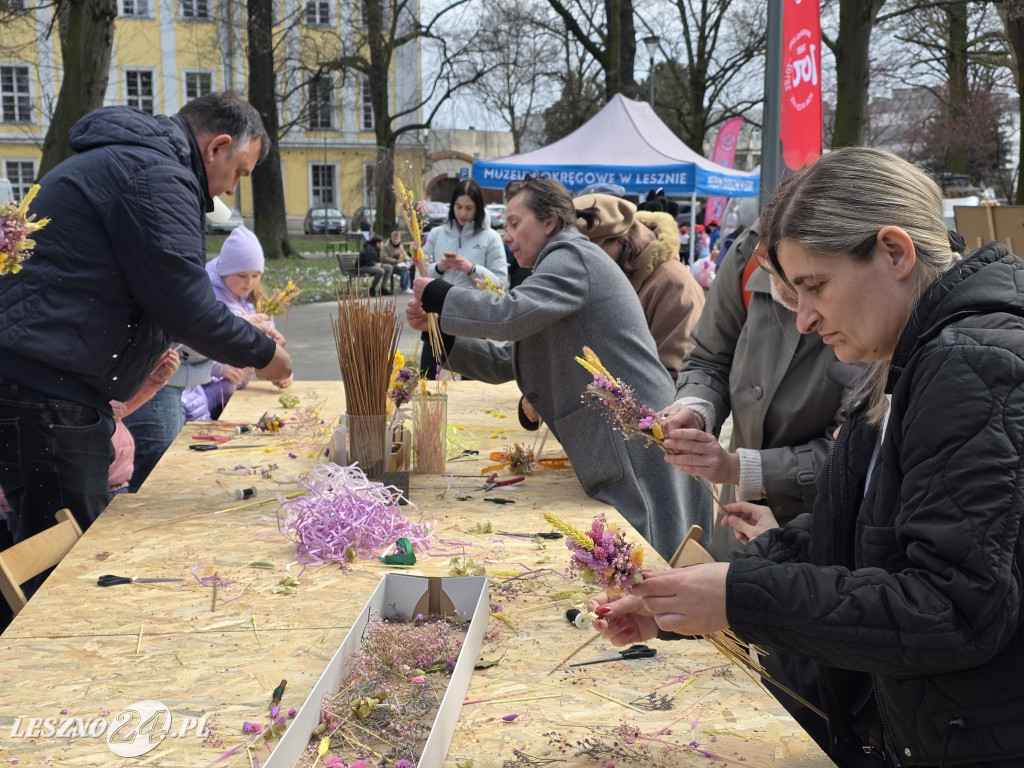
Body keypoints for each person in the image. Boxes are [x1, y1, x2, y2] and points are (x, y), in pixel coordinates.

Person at [594, 146, 1024, 766]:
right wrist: (692, 598)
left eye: (815, 286)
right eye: (795, 293)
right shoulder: (905, 360)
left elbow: (950, 609)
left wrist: (739, 597)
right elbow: (857, 541)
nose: (805, 318)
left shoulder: (971, 364)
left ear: (896, 253)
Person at [0, 90, 292, 546]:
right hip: (49, 395)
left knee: (56, 546)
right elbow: (186, 305)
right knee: (62, 565)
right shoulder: (156, 174)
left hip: (53, 388)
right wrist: (266, 354)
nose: (233, 189)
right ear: (216, 146)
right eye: (238, 172)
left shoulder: (140, 165)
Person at [406, 176, 711, 561]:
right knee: (652, 567)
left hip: (635, 443)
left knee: (656, 564)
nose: (508, 236)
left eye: (515, 224)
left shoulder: (571, 256)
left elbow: (510, 316)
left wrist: (439, 295)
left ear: (550, 221)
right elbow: (511, 360)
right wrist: (441, 336)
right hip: (623, 438)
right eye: (506, 226)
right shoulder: (555, 268)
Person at [658, 220, 846, 557]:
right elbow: (709, 357)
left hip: (824, 530)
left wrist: (738, 469)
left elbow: (856, 447)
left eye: (811, 286)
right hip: (738, 521)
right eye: (771, 272)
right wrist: (697, 407)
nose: (803, 319)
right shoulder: (749, 248)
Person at [574, 193, 705, 380]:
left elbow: (673, 377)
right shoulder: (602, 276)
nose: (579, 264)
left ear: (619, 239)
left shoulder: (673, 284)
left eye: (589, 253)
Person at [190, 226, 292, 420]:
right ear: (225, 272)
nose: (250, 283)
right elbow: (194, 347)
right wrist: (220, 369)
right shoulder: (210, 300)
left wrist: (277, 370)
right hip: (205, 399)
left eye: (256, 275)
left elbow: (263, 346)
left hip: (238, 395)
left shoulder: (256, 301)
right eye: (242, 276)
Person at [419, 179, 507, 377]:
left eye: (469, 208)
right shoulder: (436, 234)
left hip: (473, 315)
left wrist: (472, 269)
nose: (463, 213)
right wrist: (439, 268)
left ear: (478, 208)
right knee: (427, 376)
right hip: (438, 316)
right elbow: (420, 276)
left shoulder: (490, 237)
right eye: (458, 207)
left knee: (473, 381)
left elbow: (501, 282)